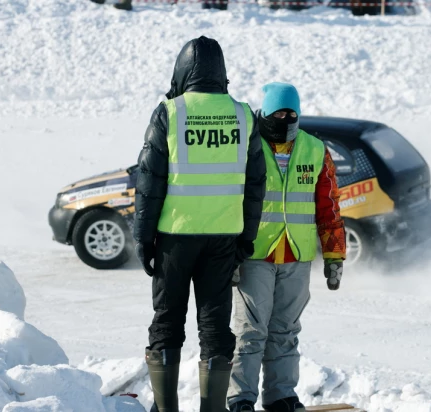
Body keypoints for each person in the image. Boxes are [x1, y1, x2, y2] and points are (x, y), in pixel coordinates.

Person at [133, 36, 266, 412]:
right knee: (214, 328)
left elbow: (149, 181)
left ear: (182, 71)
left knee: (167, 321)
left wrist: (143, 239)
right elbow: (256, 184)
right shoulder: (243, 115)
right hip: (223, 239)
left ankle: (166, 408)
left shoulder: (170, 113)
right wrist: (247, 237)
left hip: (175, 238)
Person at [227, 83, 346, 412]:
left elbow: (329, 208)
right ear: (264, 113)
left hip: (296, 255)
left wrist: (334, 255)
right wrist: (228, 254)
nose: (285, 118)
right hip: (255, 255)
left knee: (285, 331)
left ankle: (281, 396)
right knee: (251, 332)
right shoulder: (247, 147)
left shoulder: (314, 149)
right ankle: (240, 399)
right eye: (278, 112)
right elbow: (230, 203)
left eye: (291, 113)